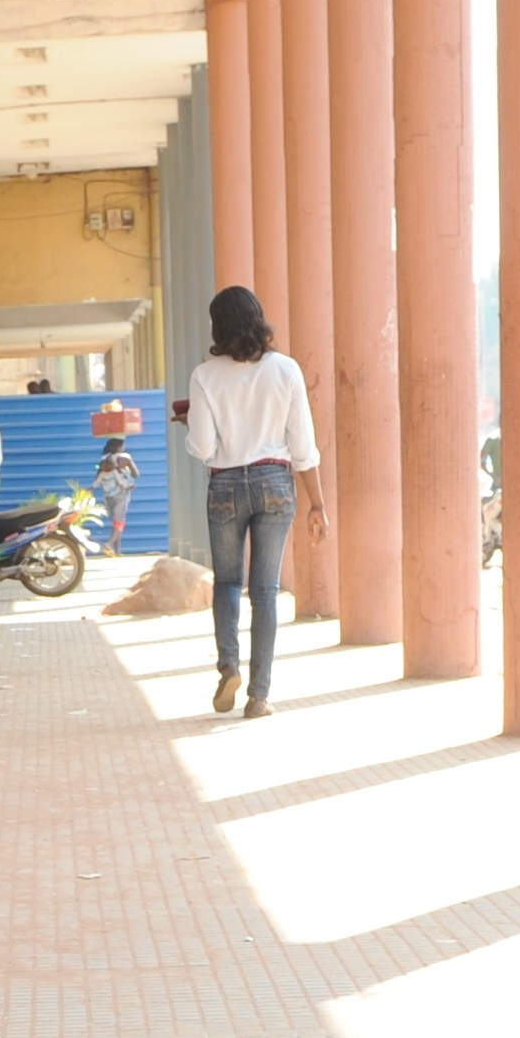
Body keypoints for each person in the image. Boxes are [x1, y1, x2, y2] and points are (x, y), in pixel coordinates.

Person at [179, 286, 329, 719]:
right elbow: (303, 443)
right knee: (264, 591)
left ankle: (228, 665)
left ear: (217, 326)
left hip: (225, 483)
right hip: (274, 482)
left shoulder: (205, 376)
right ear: (259, 318)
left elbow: (204, 447)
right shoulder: (286, 369)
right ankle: (259, 696)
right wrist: (317, 504)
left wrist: (190, 425)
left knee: (227, 582)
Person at [93, 437, 140, 556]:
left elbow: (98, 476)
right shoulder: (126, 458)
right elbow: (136, 474)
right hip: (122, 493)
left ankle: (117, 551)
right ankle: (109, 544)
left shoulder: (103, 459)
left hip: (108, 495)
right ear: (119, 446)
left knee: (115, 522)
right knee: (120, 522)